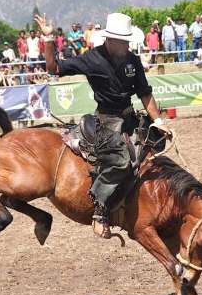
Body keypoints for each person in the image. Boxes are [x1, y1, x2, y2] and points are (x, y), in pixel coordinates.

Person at [35, 12, 172, 238]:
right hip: (106, 119)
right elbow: (53, 68)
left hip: (129, 115)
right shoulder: (92, 58)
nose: (127, 45)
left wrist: (158, 120)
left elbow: (145, 94)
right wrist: (49, 40)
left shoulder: (132, 60)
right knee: (119, 162)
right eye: (123, 40)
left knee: (156, 143)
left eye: (128, 40)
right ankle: (100, 210)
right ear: (110, 40)